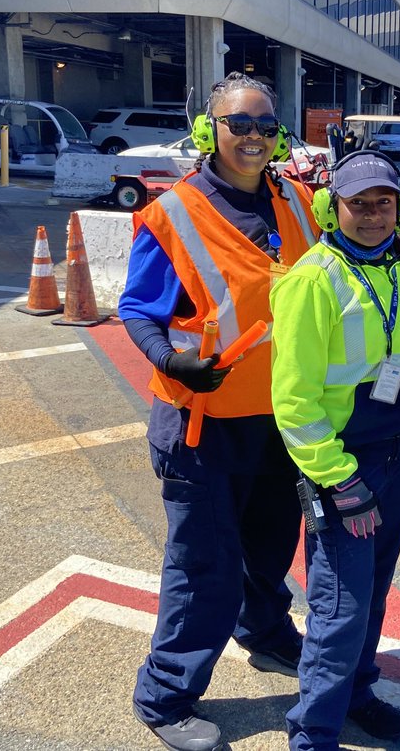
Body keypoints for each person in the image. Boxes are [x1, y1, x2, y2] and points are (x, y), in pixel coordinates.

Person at [121, 72, 320, 751]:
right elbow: (139, 309)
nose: (255, 136)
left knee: (269, 548)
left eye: (267, 125)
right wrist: (169, 359)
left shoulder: (296, 200)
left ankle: (264, 631)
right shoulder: (172, 213)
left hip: (277, 418)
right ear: (212, 130)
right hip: (201, 424)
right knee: (203, 565)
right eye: (240, 124)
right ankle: (166, 695)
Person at [269, 150, 400, 751]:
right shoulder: (312, 280)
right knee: (339, 609)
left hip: (394, 457)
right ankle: (313, 732)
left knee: (374, 591)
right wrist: (339, 480)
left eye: (382, 203)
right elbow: (294, 400)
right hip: (344, 467)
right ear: (330, 208)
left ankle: (358, 693)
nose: (370, 215)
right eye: (357, 204)